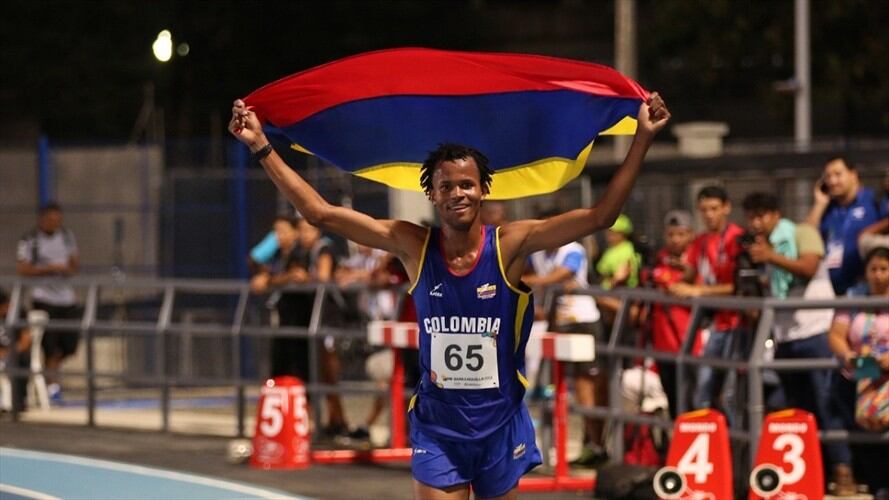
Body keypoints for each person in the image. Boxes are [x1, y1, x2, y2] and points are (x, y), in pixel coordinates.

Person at [230, 92, 671, 499]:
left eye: (466, 185)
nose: (458, 193)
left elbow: (601, 215)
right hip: (439, 429)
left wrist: (643, 138)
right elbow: (320, 213)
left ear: (483, 189)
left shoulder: (511, 244)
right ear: (432, 195)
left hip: (500, 424)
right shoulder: (414, 246)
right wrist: (261, 147)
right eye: (447, 187)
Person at [742, 192, 850, 490]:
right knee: (796, 407)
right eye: (751, 217)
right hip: (785, 336)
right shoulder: (762, 247)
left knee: (826, 403)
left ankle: (844, 471)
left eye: (761, 215)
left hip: (816, 331)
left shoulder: (801, 232)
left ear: (776, 213)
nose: (756, 223)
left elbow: (809, 267)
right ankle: (814, 471)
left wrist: (770, 257)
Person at [524, 209, 606, 468]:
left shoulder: (573, 250)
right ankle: (557, 447)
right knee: (552, 387)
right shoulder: (538, 253)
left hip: (583, 322)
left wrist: (525, 280)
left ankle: (596, 445)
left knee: (588, 387)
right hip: (557, 323)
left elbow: (554, 278)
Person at [669, 186, 746, 419]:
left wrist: (696, 291)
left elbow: (738, 287)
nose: (709, 215)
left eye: (714, 209)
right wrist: (672, 282)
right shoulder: (700, 241)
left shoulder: (737, 238)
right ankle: (711, 448)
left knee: (732, 395)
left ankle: (739, 451)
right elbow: (689, 276)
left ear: (727, 208)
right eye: (704, 210)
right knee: (702, 393)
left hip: (738, 325)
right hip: (715, 326)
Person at [827, 245, 889, 497]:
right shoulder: (854, 296)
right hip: (861, 376)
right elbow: (836, 334)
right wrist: (847, 354)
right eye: (873, 269)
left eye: (884, 269)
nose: (878, 274)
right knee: (864, 431)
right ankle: (879, 486)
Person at [16, 202, 79, 403]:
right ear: (42, 219)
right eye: (51, 220)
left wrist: (65, 269)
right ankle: (52, 385)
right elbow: (23, 269)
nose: (54, 224)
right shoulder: (31, 240)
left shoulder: (67, 237)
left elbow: (74, 264)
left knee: (69, 345)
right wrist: (47, 269)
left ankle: (50, 377)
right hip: (43, 297)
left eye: (57, 221)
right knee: (49, 344)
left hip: (66, 298)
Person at [648, 210, 700, 418]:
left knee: (695, 401)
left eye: (681, 234)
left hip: (690, 344)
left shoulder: (697, 260)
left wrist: (687, 274)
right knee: (674, 401)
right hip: (664, 345)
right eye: (671, 234)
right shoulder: (659, 259)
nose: (676, 239)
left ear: (691, 235)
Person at [805, 158, 882, 295]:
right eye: (828, 176)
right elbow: (806, 237)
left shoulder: (873, 200)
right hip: (834, 290)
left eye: (838, 174)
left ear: (853, 174)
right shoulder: (828, 209)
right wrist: (819, 204)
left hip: (868, 290)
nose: (832, 181)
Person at [0, 289, 32, 413]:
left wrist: (7, 353)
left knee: (21, 358)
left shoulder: (19, 312)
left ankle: (18, 400)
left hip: (13, 352)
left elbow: (25, 341)